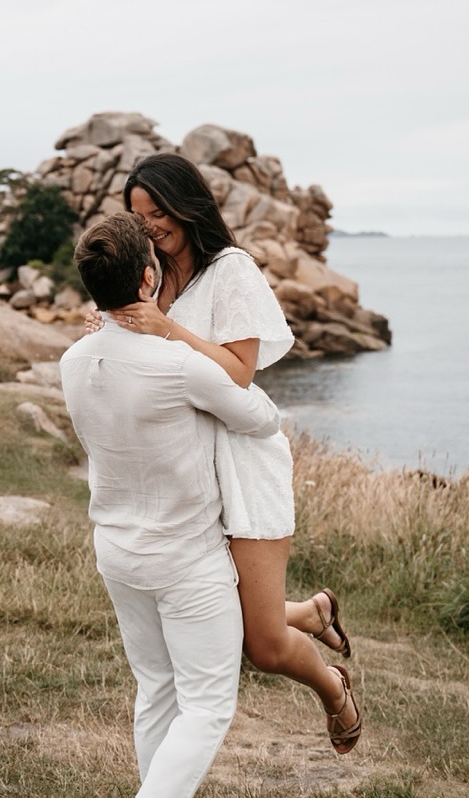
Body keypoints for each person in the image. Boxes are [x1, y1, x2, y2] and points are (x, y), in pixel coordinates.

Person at [89, 151, 361, 758]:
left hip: (244, 460)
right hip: (190, 474)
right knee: (220, 625)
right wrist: (110, 327)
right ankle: (311, 613)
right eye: (140, 215)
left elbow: (239, 373)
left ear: (189, 206)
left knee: (261, 648)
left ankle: (332, 685)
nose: (151, 226)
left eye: (159, 212)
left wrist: (161, 327)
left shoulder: (231, 269)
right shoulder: (149, 274)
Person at [61, 211, 285, 798]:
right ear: (149, 276)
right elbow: (262, 417)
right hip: (184, 559)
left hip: (117, 549)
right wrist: (185, 337)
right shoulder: (176, 362)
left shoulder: (74, 360)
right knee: (209, 704)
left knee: (157, 689)